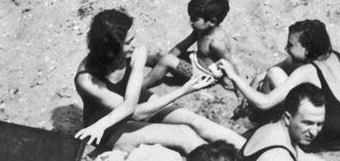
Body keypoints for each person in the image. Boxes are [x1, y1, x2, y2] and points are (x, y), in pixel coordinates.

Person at [74, 9, 244, 154]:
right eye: (128, 42)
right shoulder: (87, 79)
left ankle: (250, 151)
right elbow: (134, 111)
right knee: (184, 134)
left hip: (132, 101)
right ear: (110, 50)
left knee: (194, 121)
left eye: (133, 37)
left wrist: (183, 88)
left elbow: (132, 102)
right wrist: (183, 90)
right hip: (105, 126)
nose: (136, 44)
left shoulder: (137, 51)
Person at [218, 19, 340, 152]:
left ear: (307, 49)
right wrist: (258, 78)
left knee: (273, 74)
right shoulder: (334, 56)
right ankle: (256, 116)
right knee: (274, 72)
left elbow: (264, 103)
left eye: (291, 45)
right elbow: (289, 62)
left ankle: (258, 122)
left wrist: (234, 76)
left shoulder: (307, 71)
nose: (286, 48)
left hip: (324, 138)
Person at [238, 85, 329, 161]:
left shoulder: (271, 129)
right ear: (287, 118)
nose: (314, 132)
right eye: (308, 123)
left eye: (319, 124)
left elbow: (300, 155)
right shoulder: (279, 156)